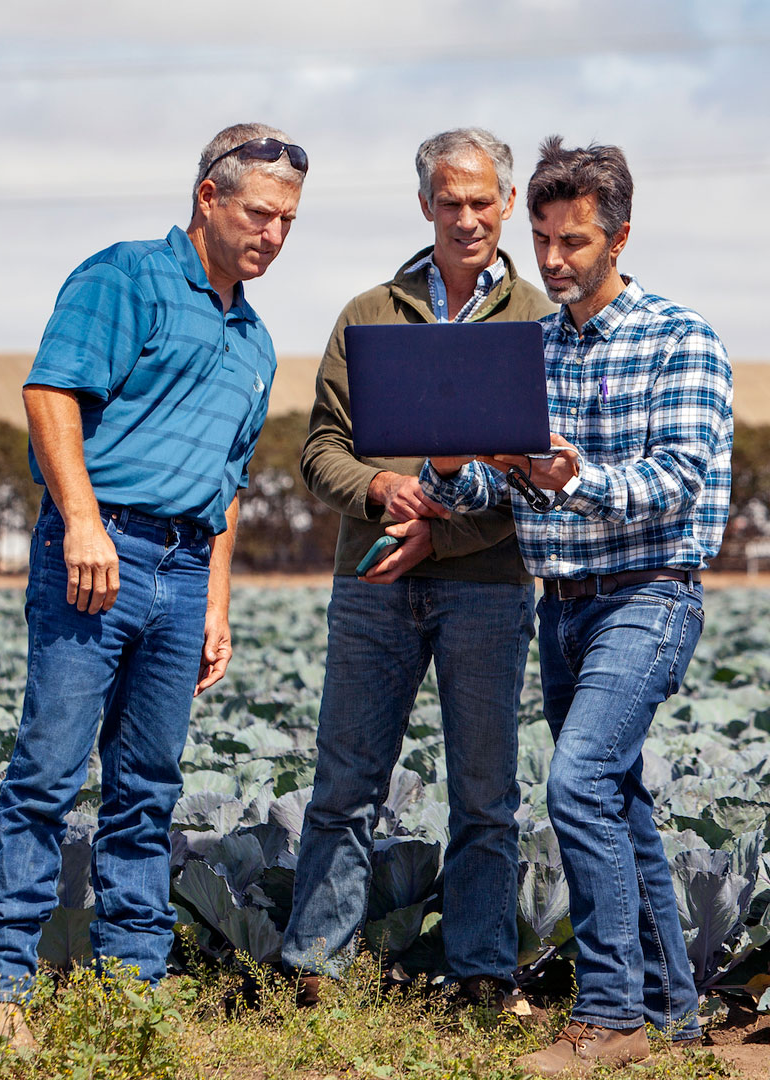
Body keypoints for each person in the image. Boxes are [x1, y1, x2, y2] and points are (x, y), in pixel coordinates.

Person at [0, 123, 306, 1049]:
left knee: (148, 788)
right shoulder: (125, 277)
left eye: (288, 222)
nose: (273, 235)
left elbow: (228, 486)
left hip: (187, 569)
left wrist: (218, 603)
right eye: (259, 214)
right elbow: (51, 394)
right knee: (48, 772)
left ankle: (134, 992)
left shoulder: (257, 340)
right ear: (208, 197)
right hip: (97, 553)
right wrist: (80, 520)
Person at [421, 136, 733, 1076]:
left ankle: (608, 1017)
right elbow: (494, 487)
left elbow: (678, 478)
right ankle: (674, 1013)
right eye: (545, 240)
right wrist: (449, 469)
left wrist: (579, 474)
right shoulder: (532, 348)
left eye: (576, 242)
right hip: (561, 607)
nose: (553, 261)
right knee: (621, 802)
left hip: (649, 596)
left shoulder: (682, 338)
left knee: (579, 783)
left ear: (620, 236)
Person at [284, 128, 554, 1013]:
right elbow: (320, 448)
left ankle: (481, 972)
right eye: (450, 200)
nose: (467, 217)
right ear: (425, 204)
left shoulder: (541, 324)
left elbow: (540, 481)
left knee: (485, 791)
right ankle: (315, 972)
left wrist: (441, 539)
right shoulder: (368, 313)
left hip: (488, 588)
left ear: (508, 204)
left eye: (483, 201)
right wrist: (382, 489)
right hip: (372, 581)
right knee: (345, 782)